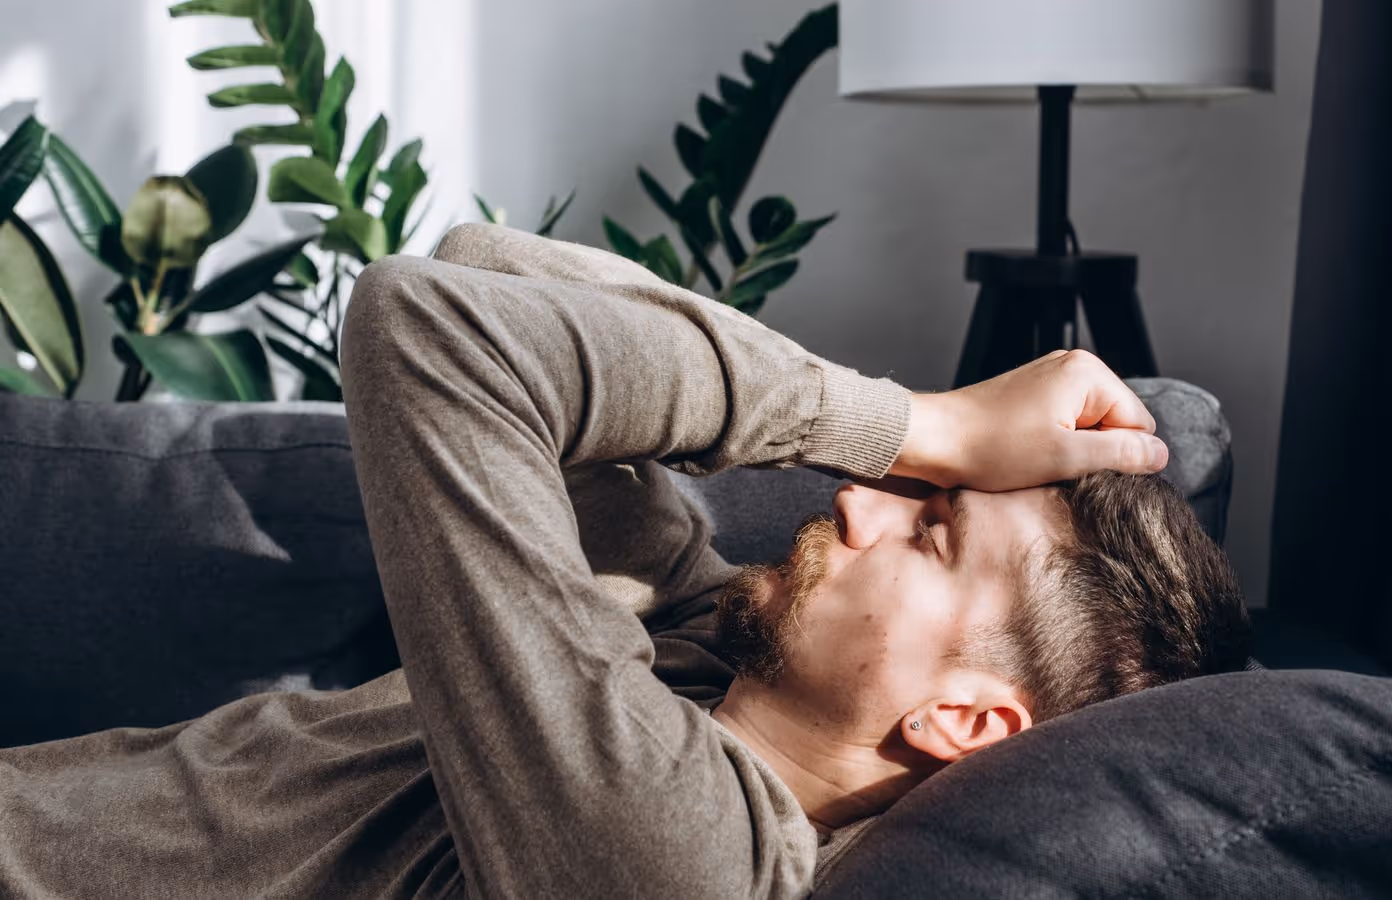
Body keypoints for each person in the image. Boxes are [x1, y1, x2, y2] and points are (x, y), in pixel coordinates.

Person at [0, 224, 1249, 899]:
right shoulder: (697, 640)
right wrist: (931, 441)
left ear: (966, 719)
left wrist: (920, 420)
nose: (863, 500)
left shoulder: (677, 855)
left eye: (929, 527)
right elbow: (487, 267)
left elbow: (430, 328)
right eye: (907, 485)